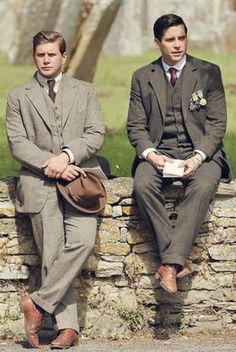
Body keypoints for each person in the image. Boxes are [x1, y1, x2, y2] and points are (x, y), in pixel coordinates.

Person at [6, 31, 105, 348]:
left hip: (79, 181)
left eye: (52, 54)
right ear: (34, 57)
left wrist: (67, 156)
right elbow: (18, 143)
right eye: (40, 55)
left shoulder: (85, 91)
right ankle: (67, 328)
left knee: (83, 240)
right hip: (39, 181)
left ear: (64, 56)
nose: (46, 60)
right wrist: (51, 163)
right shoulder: (18, 97)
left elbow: (95, 133)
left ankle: (36, 303)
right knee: (51, 253)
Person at [127, 14, 231, 294]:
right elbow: (135, 126)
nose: (177, 45)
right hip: (159, 152)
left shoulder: (209, 72)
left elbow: (217, 124)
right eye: (170, 39)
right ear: (157, 42)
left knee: (204, 184)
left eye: (181, 38)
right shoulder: (142, 77)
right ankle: (175, 261)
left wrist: (197, 157)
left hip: (201, 153)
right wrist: (151, 155)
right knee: (142, 184)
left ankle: (168, 265)